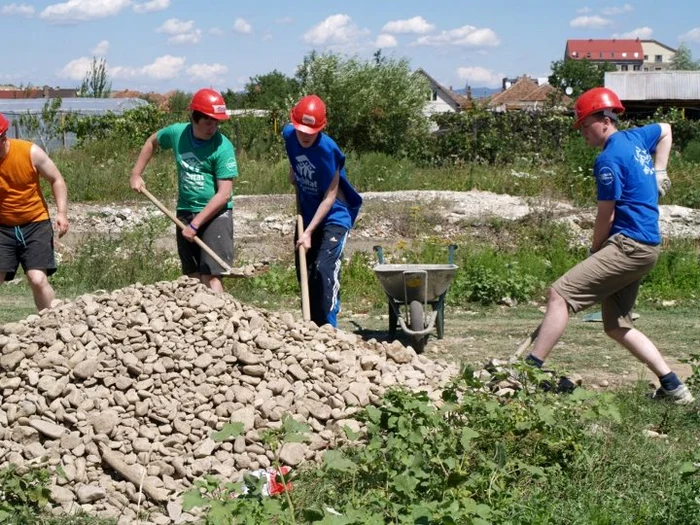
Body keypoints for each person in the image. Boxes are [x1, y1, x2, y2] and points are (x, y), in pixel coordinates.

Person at [525, 87, 694, 405]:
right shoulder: (635, 139)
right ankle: (674, 387)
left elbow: (607, 213)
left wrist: (596, 247)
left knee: (560, 295)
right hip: (647, 248)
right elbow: (666, 131)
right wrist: (660, 170)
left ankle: (528, 372)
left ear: (604, 120)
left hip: (627, 246)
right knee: (616, 324)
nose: (584, 134)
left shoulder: (608, 159)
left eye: (586, 126)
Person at [130, 88, 237, 294]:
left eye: (217, 123)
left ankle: (220, 319)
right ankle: (196, 322)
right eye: (208, 122)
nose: (213, 128)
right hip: (186, 209)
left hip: (216, 215)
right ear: (194, 118)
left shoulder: (223, 147)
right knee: (191, 277)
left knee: (210, 275)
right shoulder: (177, 133)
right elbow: (152, 142)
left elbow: (224, 194)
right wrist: (136, 174)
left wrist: (196, 225)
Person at [283, 94, 362, 327]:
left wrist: (307, 232)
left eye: (311, 132)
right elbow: (295, 158)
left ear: (320, 128)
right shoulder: (289, 134)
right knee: (305, 271)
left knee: (324, 268)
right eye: (301, 130)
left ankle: (329, 328)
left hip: (334, 215)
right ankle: (312, 328)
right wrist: (294, 171)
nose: (305, 136)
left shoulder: (329, 151)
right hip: (307, 213)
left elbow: (329, 197)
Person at [0, 112, 69, 311]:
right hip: (3, 227)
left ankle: (52, 321)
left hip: (35, 223)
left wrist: (62, 212)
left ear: (3, 137)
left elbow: (57, 179)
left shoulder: (30, 152)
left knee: (37, 279)